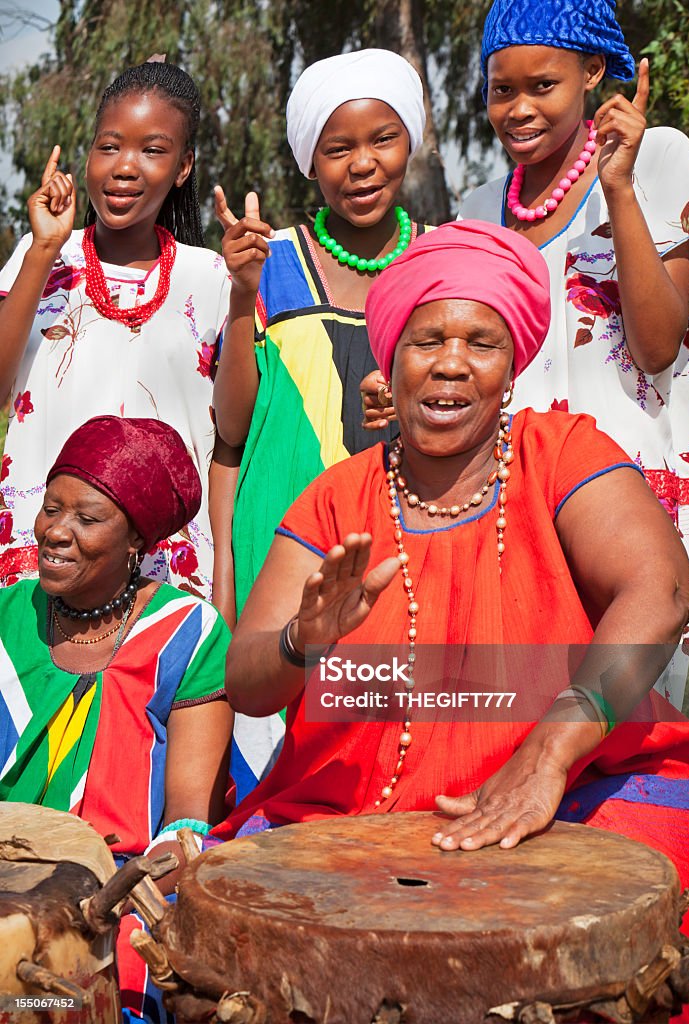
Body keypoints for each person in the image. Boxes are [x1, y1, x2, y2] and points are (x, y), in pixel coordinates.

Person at [216, 222, 689, 1024]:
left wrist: (546, 755)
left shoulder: (563, 453)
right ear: (391, 356)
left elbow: (659, 591)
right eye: (427, 340)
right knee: (197, 935)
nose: (451, 362)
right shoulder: (335, 498)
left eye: (479, 342)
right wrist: (299, 643)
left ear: (510, 365)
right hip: (354, 814)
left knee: (637, 925)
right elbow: (244, 681)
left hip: (576, 789)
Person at [455, 0, 689, 708]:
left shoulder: (656, 158)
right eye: (500, 90)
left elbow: (658, 345)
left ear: (592, 72)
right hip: (508, 510)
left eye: (542, 86)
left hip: (622, 508)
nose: (517, 109)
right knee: (509, 724)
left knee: (618, 728)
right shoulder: (476, 208)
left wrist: (618, 187)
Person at [210, 48, 431, 794]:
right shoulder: (265, 262)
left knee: (388, 759)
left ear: (413, 143)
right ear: (310, 162)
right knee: (278, 761)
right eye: (337, 148)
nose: (362, 164)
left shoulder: (438, 263)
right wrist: (241, 300)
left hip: (401, 539)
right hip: (284, 536)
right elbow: (232, 425)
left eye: (382, 140)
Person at [0, 415, 234, 1023]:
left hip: (117, 900)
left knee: (62, 1002)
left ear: (137, 541)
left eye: (87, 518)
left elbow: (187, 823)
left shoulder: (189, 634)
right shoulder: (5, 615)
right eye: (52, 508)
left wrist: (109, 899)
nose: (56, 531)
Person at [0, 60, 236, 601]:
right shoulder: (37, 260)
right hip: (40, 560)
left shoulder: (214, 278)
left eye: (152, 150)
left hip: (169, 575)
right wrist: (41, 251)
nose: (125, 167)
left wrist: (223, 577)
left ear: (183, 166)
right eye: (109, 146)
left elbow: (231, 438)